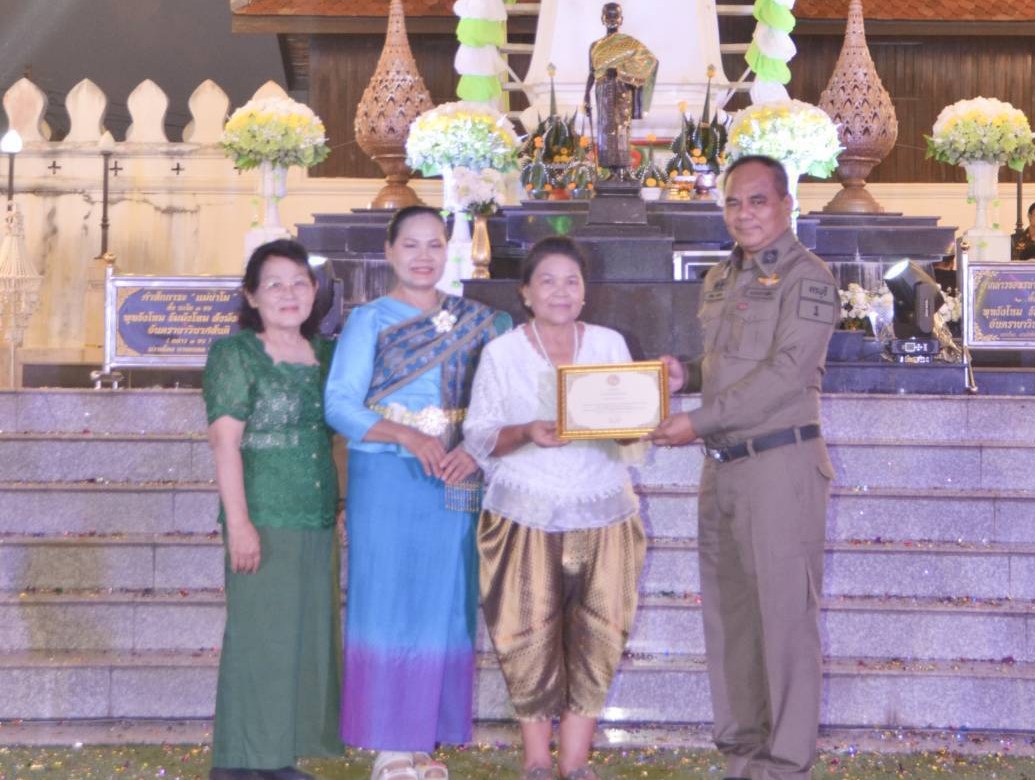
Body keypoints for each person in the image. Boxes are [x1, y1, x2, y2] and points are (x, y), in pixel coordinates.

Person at [649, 155, 839, 780]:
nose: (744, 214)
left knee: (785, 624)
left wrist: (697, 421)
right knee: (730, 620)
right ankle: (743, 754)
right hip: (724, 468)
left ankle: (784, 765)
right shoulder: (720, 278)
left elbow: (785, 375)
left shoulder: (808, 279)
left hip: (778, 464)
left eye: (757, 201)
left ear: (786, 205)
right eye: (733, 202)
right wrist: (686, 375)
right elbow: (728, 365)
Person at [324, 205, 510, 780]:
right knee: (386, 601)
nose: (423, 256)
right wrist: (406, 434)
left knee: (443, 604)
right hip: (387, 475)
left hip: (454, 476)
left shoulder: (479, 321)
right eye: (411, 244)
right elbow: (339, 405)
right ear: (389, 251)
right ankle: (389, 745)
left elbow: (502, 401)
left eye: (434, 244)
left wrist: (474, 451)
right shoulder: (369, 320)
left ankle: (422, 739)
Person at [463, 236, 647, 780]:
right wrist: (526, 431)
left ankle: (575, 762)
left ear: (585, 292)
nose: (560, 292)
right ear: (526, 292)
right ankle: (538, 761)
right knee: (526, 635)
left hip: (604, 511)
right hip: (523, 512)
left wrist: (635, 419)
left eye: (571, 281)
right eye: (547, 281)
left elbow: (633, 427)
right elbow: (479, 435)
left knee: (600, 634)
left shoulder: (609, 344)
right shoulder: (502, 354)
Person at [203, 239, 343, 780]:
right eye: (275, 284)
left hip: (315, 516)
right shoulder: (236, 354)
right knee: (259, 637)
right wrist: (239, 524)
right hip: (262, 516)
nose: (289, 294)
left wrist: (341, 504)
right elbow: (225, 443)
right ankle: (239, 763)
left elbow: (338, 437)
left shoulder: (327, 356)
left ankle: (277, 756)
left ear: (315, 291)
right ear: (252, 296)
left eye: (299, 283)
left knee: (300, 639)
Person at [582, 2, 658, 176]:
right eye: (608, 16)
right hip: (602, 92)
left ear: (621, 19)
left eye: (615, 16)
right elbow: (592, 73)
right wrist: (586, 96)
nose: (612, 19)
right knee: (605, 130)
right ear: (602, 19)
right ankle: (610, 172)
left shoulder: (630, 44)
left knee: (621, 129)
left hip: (622, 92)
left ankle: (622, 171)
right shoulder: (595, 46)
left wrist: (620, 71)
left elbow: (649, 61)